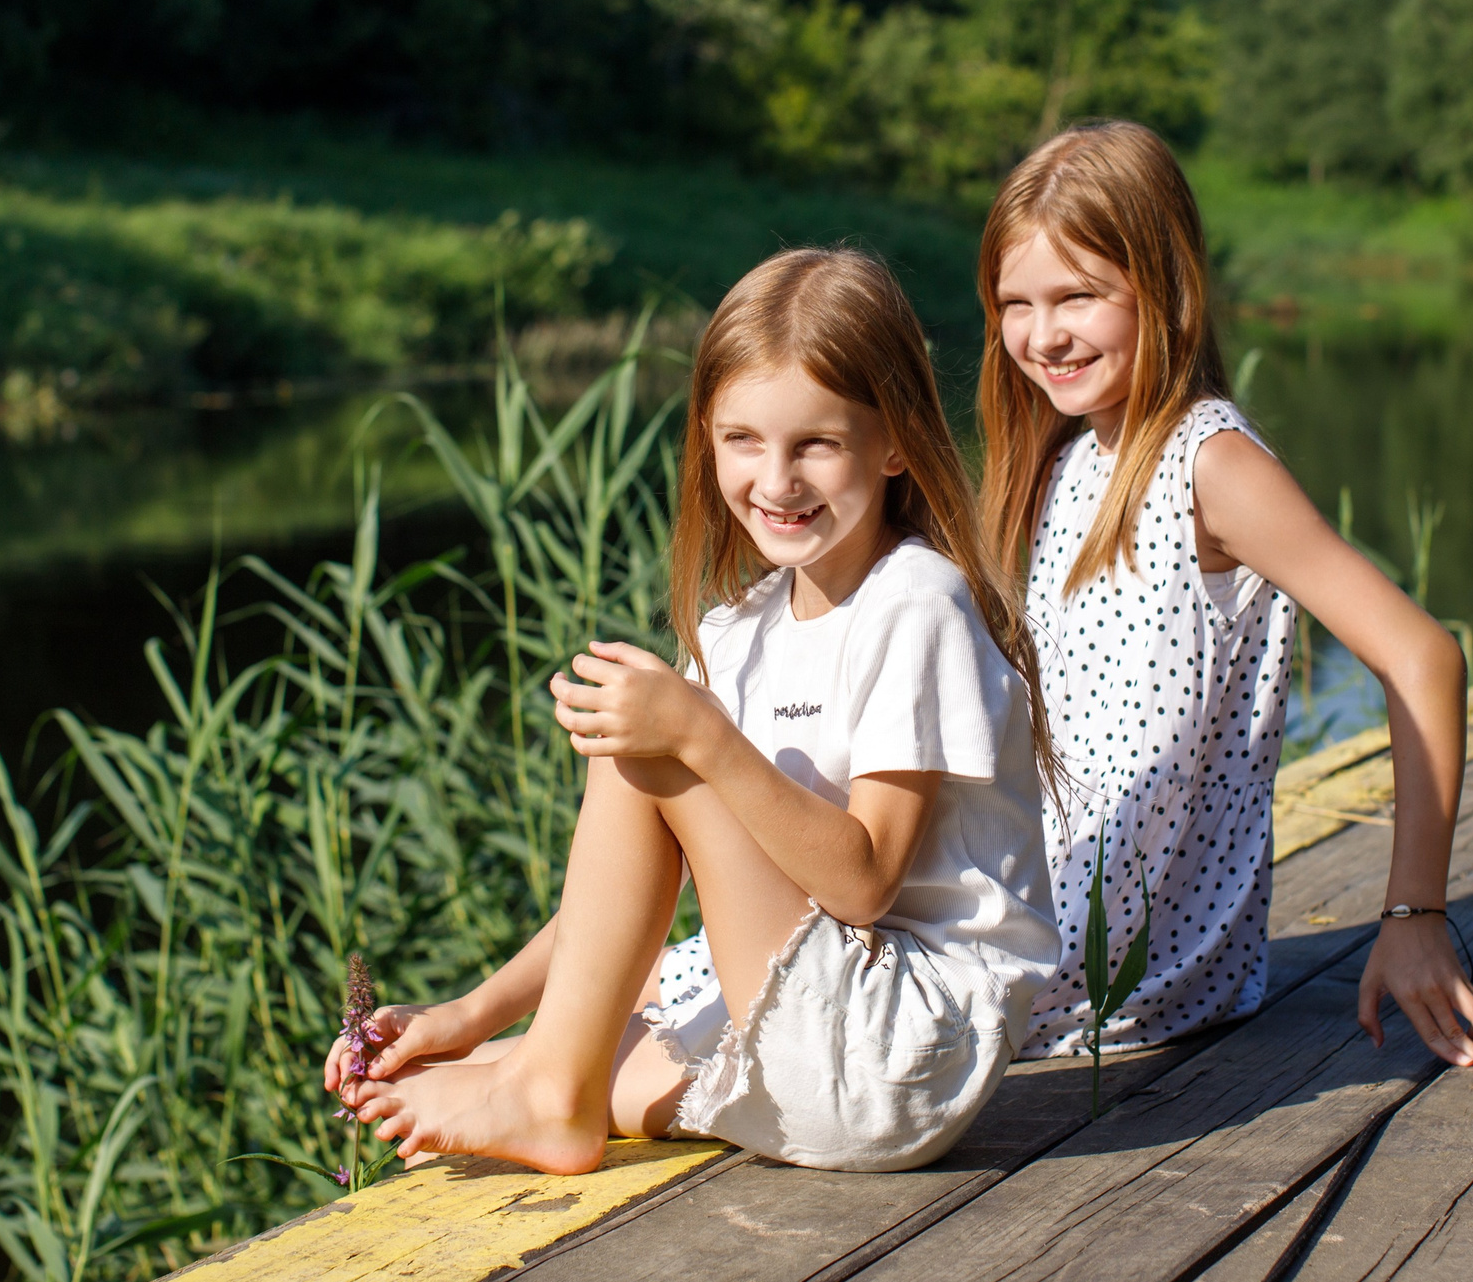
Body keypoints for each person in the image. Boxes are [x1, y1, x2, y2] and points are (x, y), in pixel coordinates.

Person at [331, 248, 1064, 1173]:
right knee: (492, 1065)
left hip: (900, 1045)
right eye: (743, 441)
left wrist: (700, 735)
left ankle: (546, 1093)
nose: (776, 479)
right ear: (707, 440)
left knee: (642, 736)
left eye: (816, 444)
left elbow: (865, 882)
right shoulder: (740, 627)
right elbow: (617, 897)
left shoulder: (914, 602)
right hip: (809, 1016)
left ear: (896, 443)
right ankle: (541, 1080)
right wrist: (466, 1015)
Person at [979, 120, 1473, 1069]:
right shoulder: (1068, 453)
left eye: (1079, 297)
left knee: (739, 1000)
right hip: (1055, 888)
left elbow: (1423, 654)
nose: (1041, 334)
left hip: (1122, 953)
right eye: (1016, 301)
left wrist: (1415, 912)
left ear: (1167, 287)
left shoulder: (1208, 461)